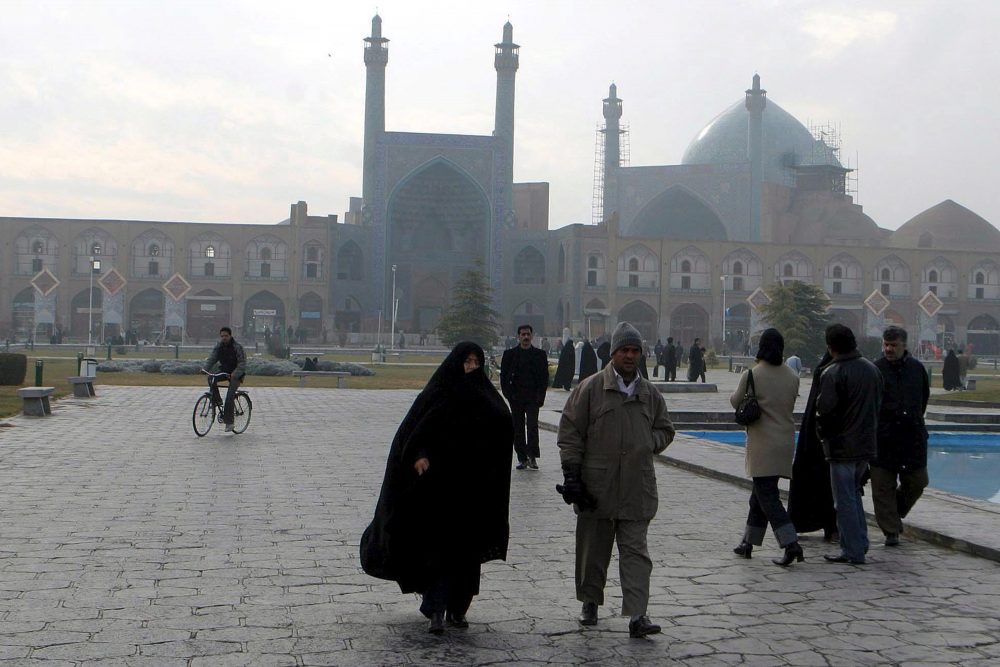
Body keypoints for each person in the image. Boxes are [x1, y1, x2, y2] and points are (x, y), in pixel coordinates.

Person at [360, 342, 513, 634]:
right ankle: (436, 609)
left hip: (470, 492)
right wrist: (419, 456)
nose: (470, 367)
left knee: (466, 554)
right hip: (438, 491)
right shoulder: (438, 394)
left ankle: (458, 608)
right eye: (466, 361)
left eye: (475, 362)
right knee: (439, 550)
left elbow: (502, 426)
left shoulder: (485, 400)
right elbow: (414, 432)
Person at [556, 321, 675, 639]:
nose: (630, 356)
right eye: (624, 349)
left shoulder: (649, 394)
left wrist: (649, 442)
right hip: (598, 487)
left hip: (637, 487)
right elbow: (570, 432)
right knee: (593, 551)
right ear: (614, 353)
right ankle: (590, 601)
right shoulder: (591, 389)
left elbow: (666, 429)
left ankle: (638, 614)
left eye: (635, 350)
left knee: (636, 552)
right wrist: (572, 474)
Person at [730, 329, 804, 566]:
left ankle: (791, 543)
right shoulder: (792, 376)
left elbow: (735, 401)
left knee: (768, 497)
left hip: (762, 443)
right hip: (784, 441)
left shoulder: (752, 374)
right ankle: (748, 542)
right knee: (760, 493)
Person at [815, 324, 883, 565]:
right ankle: (860, 542)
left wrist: (823, 435)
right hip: (865, 443)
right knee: (853, 495)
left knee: (843, 500)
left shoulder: (833, 373)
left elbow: (825, 410)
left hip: (842, 445)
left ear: (831, 347)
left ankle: (852, 549)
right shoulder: (872, 370)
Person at [871, 326, 929, 547]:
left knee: (918, 481)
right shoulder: (876, 369)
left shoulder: (917, 369)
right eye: (886, 344)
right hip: (883, 438)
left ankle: (894, 513)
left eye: (893, 345)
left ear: (904, 345)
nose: (889, 349)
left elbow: (923, 398)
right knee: (882, 486)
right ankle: (891, 530)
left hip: (912, 437)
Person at [787, 351, 839, 542]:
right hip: (832, 440)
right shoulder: (829, 371)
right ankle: (834, 528)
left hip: (818, 440)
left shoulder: (825, 371)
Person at [500, 324, 550, 471]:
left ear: (532, 336)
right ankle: (522, 458)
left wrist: (541, 396)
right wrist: (508, 395)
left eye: (528, 334)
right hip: (516, 398)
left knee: (532, 427)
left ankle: (532, 456)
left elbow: (544, 377)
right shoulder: (510, 355)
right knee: (518, 428)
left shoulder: (539, 355)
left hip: (532, 398)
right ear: (518, 336)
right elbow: (504, 376)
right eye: (523, 334)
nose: (526, 337)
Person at [202, 326, 247, 433]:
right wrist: (205, 368)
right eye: (222, 336)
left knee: (229, 397)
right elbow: (212, 358)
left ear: (230, 335)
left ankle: (229, 422)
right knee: (211, 378)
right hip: (224, 371)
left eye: (226, 336)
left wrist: (234, 374)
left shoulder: (237, 347)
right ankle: (217, 400)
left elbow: (242, 363)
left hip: (236, 374)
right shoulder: (219, 347)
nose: (224, 338)